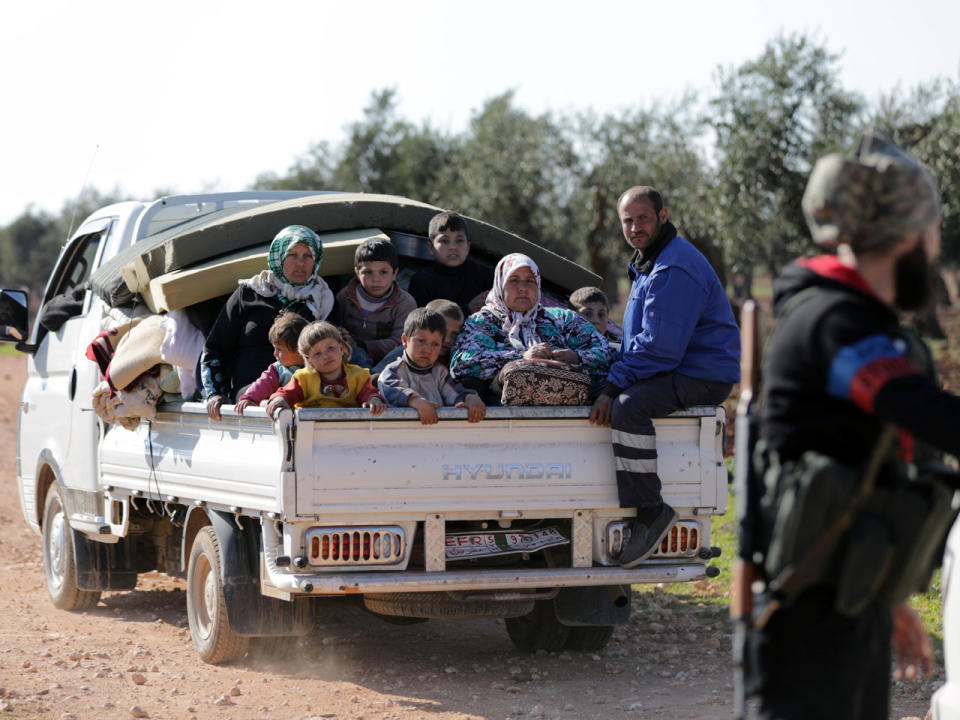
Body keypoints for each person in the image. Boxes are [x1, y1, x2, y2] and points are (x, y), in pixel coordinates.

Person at [745, 133, 959, 720]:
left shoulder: (849, 319)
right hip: (811, 626)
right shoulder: (836, 322)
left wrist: (887, 601)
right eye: (933, 230)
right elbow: (930, 414)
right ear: (907, 235)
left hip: (840, 603)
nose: (936, 248)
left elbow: (857, 475)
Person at [589, 186, 740, 567]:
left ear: (663, 216)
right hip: (679, 366)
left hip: (701, 373)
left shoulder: (673, 267)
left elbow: (660, 348)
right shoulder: (649, 261)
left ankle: (649, 511)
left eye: (643, 218)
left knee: (628, 406)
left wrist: (612, 385)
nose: (635, 226)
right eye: (628, 220)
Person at [201, 225, 334, 420]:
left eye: (307, 256)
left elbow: (335, 350)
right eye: (292, 255)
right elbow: (215, 348)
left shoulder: (323, 299)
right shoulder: (249, 293)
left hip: (305, 397)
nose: (301, 263)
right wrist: (215, 394)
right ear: (279, 257)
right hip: (250, 397)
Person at [450, 253, 610, 399]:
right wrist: (522, 358)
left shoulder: (563, 318)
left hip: (568, 416)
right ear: (500, 283)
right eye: (513, 280)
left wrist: (576, 357)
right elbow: (462, 363)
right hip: (502, 418)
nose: (522, 288)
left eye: (530, 281)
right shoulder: (482, 322)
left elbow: (606, 353)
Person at [378, 308, 486, 424]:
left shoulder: (440, 372)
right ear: (405, 340)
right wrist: (415, 401)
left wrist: (469, 397)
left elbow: (454, 392)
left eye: (435, 344)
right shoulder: (393, 370)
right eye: (421, 341)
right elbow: (391, 390)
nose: (427, 350)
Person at [266, 321, 385, 418]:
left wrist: (373, 400)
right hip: (311, 432)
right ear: (309, 360)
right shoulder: (304, 379)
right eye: (317, 354)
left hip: (349, 432)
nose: (325, 355)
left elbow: (369, 393)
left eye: (330, 348)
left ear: (341, 348)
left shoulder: (358, 375)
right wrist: (280, 399)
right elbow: (287, 393)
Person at [329, 237, 416, 369]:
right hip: (353, 355)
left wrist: (363, 345)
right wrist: (343, 337)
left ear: (395, 273)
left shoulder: (404, 303)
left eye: (383, 272)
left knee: (404, 350)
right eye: (368, 272)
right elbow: (336, 328)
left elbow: (399, 341)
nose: (376, 279)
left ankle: (373, 379)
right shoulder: (345, 297)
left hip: (387, 360)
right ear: (357, 273)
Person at [407, 211, 495, 317]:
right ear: (431, 248)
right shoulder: (421, 281)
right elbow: (422, 323)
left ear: (468, 247)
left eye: (459, 240)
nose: (453, 247)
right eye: (444, 240)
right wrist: (468, 309)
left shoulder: (487, 275)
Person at [234, 311, 308, 415]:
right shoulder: (278, 369)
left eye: (280, 350)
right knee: (266, 404)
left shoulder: (315, 366)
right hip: (286, 416)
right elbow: (263, 384)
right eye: (275, 348)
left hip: (312, 415)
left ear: (298, 350)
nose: (275, 354)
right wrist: (250, 398)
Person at [371, 298, 466, 375]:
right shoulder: (404, 353)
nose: (448, 340)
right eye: (443, 332)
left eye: (454, 334)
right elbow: (374, 378)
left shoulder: (453, 359)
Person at [569, 286, 621, 358]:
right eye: (587, 314)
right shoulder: (560, 345)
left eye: (601, 315)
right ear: (572, 316)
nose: (595, 321)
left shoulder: (619, 353)